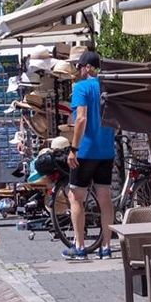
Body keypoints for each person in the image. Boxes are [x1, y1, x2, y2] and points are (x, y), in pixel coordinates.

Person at [63, 50, 117, 261]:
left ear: (87, 68)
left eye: (79, 67)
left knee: (76, 197)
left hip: (85, 151)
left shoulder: (81, 88)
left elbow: (81, 118)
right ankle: (106, 246)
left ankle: (79, 246)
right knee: (105, 196)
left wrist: (73, 149)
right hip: (106, 149)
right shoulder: (108, 87)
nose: (78, 71)